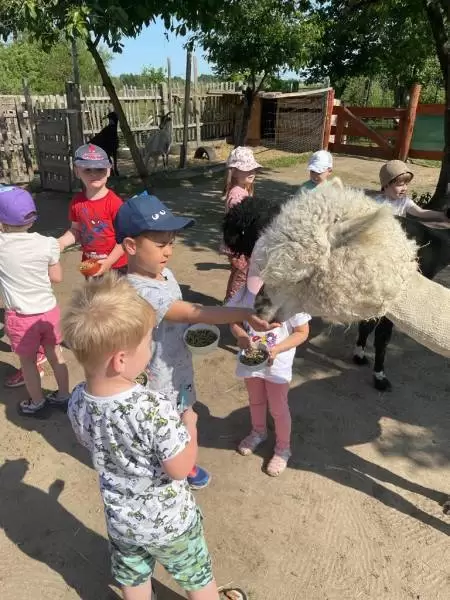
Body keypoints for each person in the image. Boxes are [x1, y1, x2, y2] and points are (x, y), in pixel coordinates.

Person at [63, 274, 248, 600]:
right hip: (169, 522)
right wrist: (190, 426)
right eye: (149, 342)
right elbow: (180, 468)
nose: (151, 348)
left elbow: (87, 440)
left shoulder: (77, 398)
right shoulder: (153, 408)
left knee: (134, 579)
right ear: (121, 360)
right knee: (197, 577)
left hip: (122, 521)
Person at [115, 191, 278, 490]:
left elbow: (181, 316)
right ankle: (165, 471)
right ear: (131, 246)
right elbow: (189, 311)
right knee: (162, 427)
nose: (168, 251)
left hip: (178, 367)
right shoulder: (138, 290)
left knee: (185, 415)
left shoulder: (164, 274)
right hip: (155, 377)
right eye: (160, 244)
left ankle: (184, 465)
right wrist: (244, 313)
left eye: (172, 243)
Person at [228, 282, 310, 477]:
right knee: (255, 400)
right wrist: (241, 335)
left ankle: (283, 448)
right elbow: (233, 320)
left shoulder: (292, 297)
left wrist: (277, 349)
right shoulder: (247, 292)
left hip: (277, 365)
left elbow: (302, 332)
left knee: (278, 407)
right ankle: (258, 432)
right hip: (250, 360)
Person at [0, 186, 69, 415]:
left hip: (21, 317)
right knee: (56, 354)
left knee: (28, 362)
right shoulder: (48, 243)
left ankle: (37, 403)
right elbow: (57, 277)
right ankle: (64, 396)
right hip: (49, 312)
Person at [58, 144, 127, 277]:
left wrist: (108, 263)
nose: (94, 174)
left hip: (116, 264)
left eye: (100, 169)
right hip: (88, 262)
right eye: (87, 170)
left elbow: (124, 238)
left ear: (108, 170)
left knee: (115, 291)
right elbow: (76, 230)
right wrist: (61, 242)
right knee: (91, 290)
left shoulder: (115, 203)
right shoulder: (77, 202)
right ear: (77, 172)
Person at [222, 147, 262, 302]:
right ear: (234, 172)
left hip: (239, 244)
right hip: (239, 245)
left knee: (239, 274)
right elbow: (239, 222)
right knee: (241, 276)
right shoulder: (237, 195)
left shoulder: (243, 190)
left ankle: (231, 302)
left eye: (252, 168)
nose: (251, 172)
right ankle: (232, 304)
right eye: (246, 169)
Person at [375, 160, 450, 220]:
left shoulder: (403, 201)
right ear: (386, 185)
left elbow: (420, 212)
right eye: (400, 185)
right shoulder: (376, 202)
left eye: (406, 184)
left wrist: (442, 215)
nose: (404, 188)